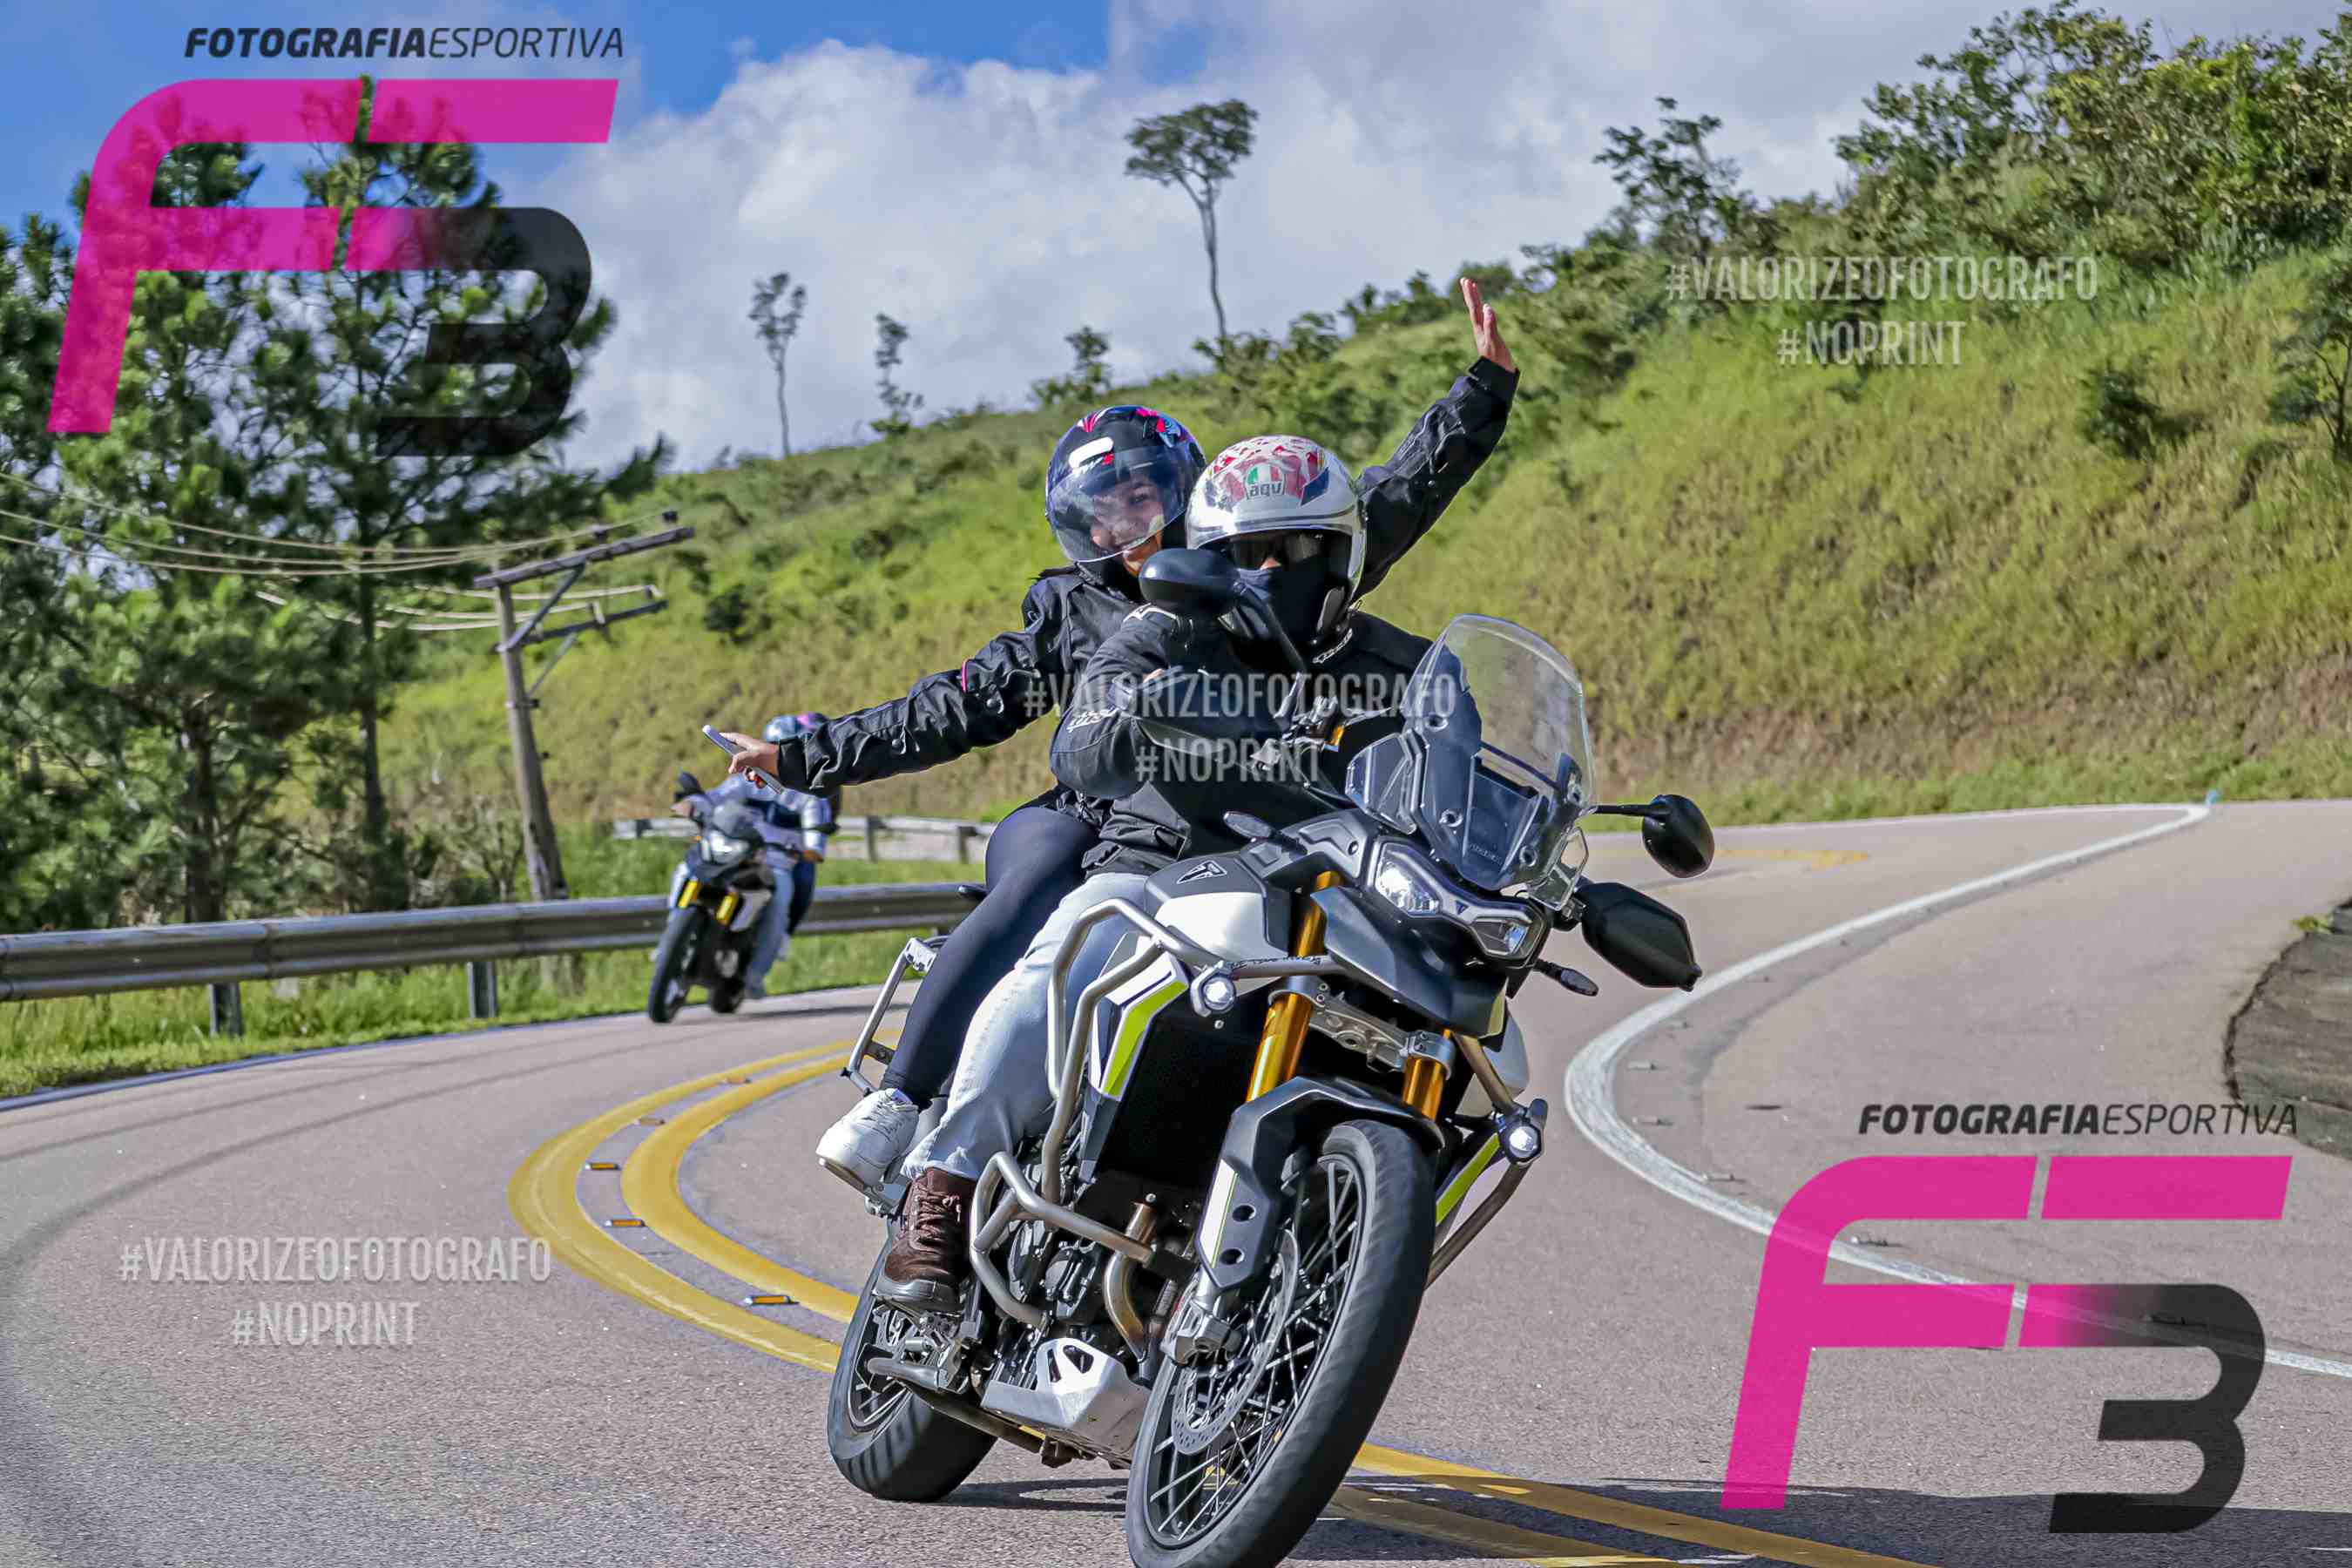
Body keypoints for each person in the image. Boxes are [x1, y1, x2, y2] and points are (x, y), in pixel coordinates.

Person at [725, 279, 1518, 1192]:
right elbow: (948, 708)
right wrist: (806, 757)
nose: (1129, 523)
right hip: (1095, 803)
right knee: (1044, 877)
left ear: (1187, 489)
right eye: (1105, 510)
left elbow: (1388, 497)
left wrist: (1483, 390)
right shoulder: (1071, 610)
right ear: (1081, 528)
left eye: (1143, 495)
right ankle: (902, 1103)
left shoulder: (1258, 564)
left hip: (1230, 815)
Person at [874, 413, 1512, 1307]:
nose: (1271, 571)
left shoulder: (1411, 670)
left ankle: (1331, 1262)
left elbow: (1469, 793)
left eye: (1298, 549)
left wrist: (1549, 862)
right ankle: (942, 1185)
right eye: (1247, 553)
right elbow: (1083, 745)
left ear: (1342, 553)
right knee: (1066, 958)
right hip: (1160, 866)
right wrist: (1135, 718)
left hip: (1330, 897)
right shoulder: (1165, 629)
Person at [672, 713, 836, 999]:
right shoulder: (747, 780)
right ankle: (673, 932)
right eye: (773, 747)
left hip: (775, 863)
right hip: (737, 851)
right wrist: (691, 803)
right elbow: (714, 798)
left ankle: (754, 976)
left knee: (781, 901)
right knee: (687, 869)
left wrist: (811, 848)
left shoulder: (810, 795)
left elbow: (815, 835)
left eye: (785, 750)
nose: (777, 757)